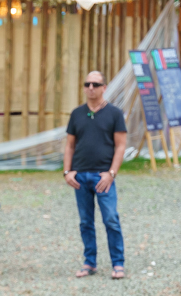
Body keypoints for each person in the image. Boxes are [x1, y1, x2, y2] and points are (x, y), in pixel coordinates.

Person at [64, 72, 126, 280]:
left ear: (104, 87)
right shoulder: (77, 114)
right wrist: (67, 171)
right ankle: (89, 262)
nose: (91, 88)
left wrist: (111, 173)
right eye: (87, 84)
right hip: (80, 176)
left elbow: (121, 146)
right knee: (85, 222)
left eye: (95, 84)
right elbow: (70, 145)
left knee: (110, 219)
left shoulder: (114, 114)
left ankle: (118, 263)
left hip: (103, 177)